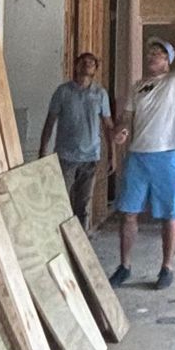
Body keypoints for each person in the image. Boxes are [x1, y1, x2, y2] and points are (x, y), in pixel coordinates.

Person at [111, 18, 175, 291]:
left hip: (167, 156)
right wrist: (122, 131)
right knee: (128, 213)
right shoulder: (137, 87)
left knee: (170, 214)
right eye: (150, 53)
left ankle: (166, 268)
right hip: (138, 156)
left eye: (159, 54)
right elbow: (126, 118)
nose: (153, 57)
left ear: (168, 62)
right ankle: (124, 266)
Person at [38, 50, 113, 224]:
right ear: (76, 66)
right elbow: (50, 122)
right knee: (61, 201)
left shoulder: (100, 94)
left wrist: (112, 155)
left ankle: (82, 244)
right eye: (84, 61)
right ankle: (61, 241)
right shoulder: (63, 92)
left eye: (92, 63)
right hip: (66, 156)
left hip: (90, 157)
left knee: (83, 205)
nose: (87, 64)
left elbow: (108, 126)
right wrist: (43, 149)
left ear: (95, 70)